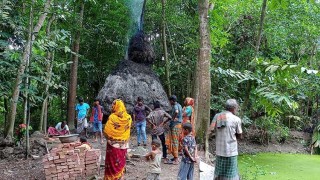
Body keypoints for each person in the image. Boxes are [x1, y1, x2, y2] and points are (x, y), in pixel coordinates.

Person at [209, 99, 243, 180]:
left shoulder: (217, 116)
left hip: (220, 151)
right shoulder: (236, 119)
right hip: (231, 152)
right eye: (236, 107)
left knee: (219, 173)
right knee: (230, 174)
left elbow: (211, 130)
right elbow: (240, 135)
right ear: (234, 108)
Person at [104, 99, 132, 180]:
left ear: (117, 106)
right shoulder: (128, 118)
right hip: (124, 145)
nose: (111, 106)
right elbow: (127, 132)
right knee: (120, 163)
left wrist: (110, 139)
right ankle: (121, 178)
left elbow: (107, 131)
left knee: (112, 164)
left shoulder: (112, 117)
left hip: (113, 145)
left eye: (113, 105)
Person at [163, 95, 183, 165]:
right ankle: (175, 157)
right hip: (179, 125)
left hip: (175, 125)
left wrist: (173, 118)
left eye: (170, 101)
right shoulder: (179, 105)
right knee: (176, 140)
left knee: (174, 141)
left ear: (172, 101)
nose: (169, 102)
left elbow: (176, 112)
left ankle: (176, 159)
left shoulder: (175, 106)